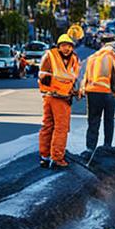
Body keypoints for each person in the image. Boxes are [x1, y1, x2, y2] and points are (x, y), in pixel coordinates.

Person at [37, 34, 80, 168]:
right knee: (60, 128)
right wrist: (60, 89)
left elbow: (73, 78)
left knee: (48, 126)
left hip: (53, 96)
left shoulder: (73, 59)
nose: (66, 49)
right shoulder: (51, 56)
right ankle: (57, 157)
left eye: (69, 46)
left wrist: (75, 91)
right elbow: (44, 77)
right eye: (63, 46)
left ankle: (45, 156)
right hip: (57, 98)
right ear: (58, 46)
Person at [80, 40, 115, 157]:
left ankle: (90, 149)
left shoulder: (91, 57)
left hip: (92, 92)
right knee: (109, 120)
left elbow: (85, 75)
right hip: (106, 92)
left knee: (93, 121)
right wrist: (114, 92)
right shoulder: (111, 57)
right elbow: (114, 76)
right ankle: (107, 146)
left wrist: (83, 90)